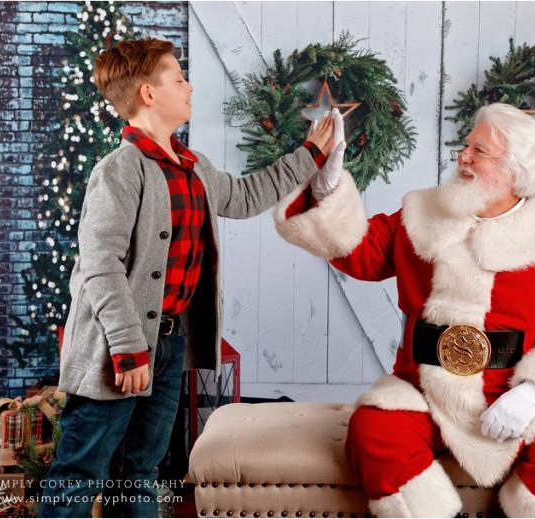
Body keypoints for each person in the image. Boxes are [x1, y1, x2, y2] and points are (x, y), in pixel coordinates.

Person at [273, 103, 535, 517]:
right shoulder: (421, 215)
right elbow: (360, 253)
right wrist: (326, 188)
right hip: (424, 390)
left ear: (516, 169)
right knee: (373, 430)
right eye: (466, 145)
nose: (463, 156)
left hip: (516, 395)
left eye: (479, 150)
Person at [39, 37, 343, 517]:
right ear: (148, 94)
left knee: (142, 469)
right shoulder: (118, 171)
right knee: (81, 471)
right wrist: (127, 347)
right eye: (178, 78)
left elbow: (244, 196)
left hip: (168, 343)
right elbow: (101, 266)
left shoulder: (192, 166)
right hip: (120, 351)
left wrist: (308, 155)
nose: (189, 85)